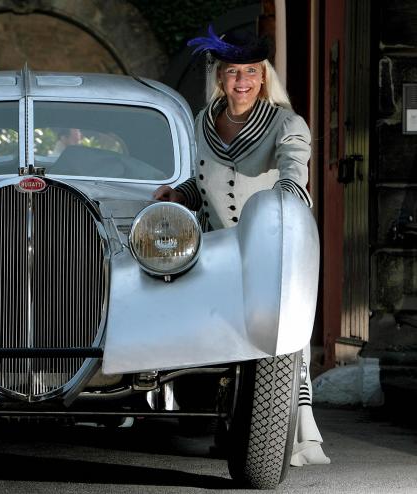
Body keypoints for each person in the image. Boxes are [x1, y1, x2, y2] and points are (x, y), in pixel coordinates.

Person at [154, 26, 330, 467]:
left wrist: (285, 200)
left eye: (251, 72)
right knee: (223, 344)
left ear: (264, 75)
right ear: (219, 77)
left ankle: (288, 437)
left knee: (277, 341)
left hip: (267, 250)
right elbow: (200, 185)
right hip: (216, 251)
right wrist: (178, 196)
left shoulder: (287, 123)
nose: (243, 81)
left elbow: (294, 173)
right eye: (234, 72)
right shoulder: (202, 121)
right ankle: (226, 426)